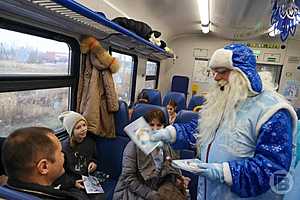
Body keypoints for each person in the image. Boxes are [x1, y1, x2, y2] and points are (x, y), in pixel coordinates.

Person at [151, 44, 297, 200]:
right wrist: (170, 133)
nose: (215, 77)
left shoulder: (272, 111)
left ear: (242, 74)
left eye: (222, 72)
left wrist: (223, 172)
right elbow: (202, 130)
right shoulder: (226, 99)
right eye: (214, 72)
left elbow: (272, 168)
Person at [113, 109, 189, 200]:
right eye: (151, 125)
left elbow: (170, 171)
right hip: (134, 191)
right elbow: (128, 178)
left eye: (159, 125)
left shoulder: (168, 145)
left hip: (158, 189)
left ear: (164, 127)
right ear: (144, 126)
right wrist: (150, 194)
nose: (155, 129)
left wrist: (178, 180)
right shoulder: (133, 146)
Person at [2, 127, 84, 199]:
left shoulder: (8, 190)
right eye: (60, 152)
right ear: (44, 167)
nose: (63, 155)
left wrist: (70, 183)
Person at [56, 111, 104, 200]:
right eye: (78, 127)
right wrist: (73, 183)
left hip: (87, 178)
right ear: (71, 131)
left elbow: (94, 157)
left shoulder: (90, 142)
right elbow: (60, 173)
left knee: (100, 197)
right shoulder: (64, 148)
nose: (83, 129)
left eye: (84, 125)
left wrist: (93, 163)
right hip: (72, 181)